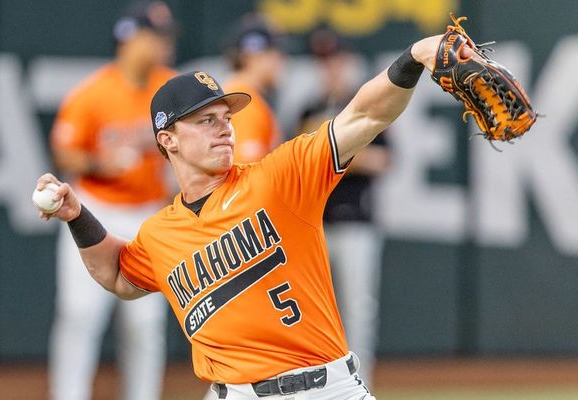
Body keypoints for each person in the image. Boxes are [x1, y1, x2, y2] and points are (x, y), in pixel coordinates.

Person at [35, 32, 459, 399]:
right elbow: (115, 276)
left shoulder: (279, 176)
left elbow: (365, 115)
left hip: (327, 389)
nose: (225, 128)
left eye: (226, 117)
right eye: (205, 120)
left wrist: (414, 58)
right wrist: (76, 215)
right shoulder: (160, 233)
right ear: (168, 140)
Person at [47, 2, 177, 399]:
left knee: (144, 324)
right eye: (156, 36)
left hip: (148, 215)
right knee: (80, 315)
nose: (164, 44)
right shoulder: (93, 92)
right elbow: (63, 151)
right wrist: (97, 162)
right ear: (130, 39)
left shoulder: (171, 89)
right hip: (95, 211)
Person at [298, 28, 392, 387]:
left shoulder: (365, 109)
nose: (330, 67)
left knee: (358, 308)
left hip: (357, 220)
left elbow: (385, 160)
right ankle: (320, 385)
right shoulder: (309, 108)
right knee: (313, 310)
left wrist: (336, 158)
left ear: (348, 61)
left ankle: (359, 384)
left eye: (335, 59)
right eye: (323, 61)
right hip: (314, 225)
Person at [222, 13, 284, 163]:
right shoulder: (244, 102)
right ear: (253, 57)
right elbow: (246, 172)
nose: (281, 61)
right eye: (275, 54)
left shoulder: (238, 94)